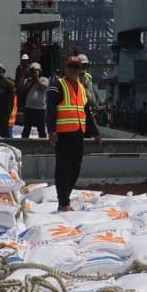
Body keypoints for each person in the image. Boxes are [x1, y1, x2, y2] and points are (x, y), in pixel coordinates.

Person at [46, 54, 103, 211]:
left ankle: (65, 197)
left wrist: (95, 133)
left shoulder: (81, 89)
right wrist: (51, 130)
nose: (74, 70)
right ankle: (63, 202)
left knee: (75, 168)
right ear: (66, 68)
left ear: (80, 70)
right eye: (71, 67)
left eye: (76, 67)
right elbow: (50, 110)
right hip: (63, 135)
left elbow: (86, 113)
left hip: (78, 134)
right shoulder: (58, 86)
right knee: (63, 168)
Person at [16, 56, 45, 139]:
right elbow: (20, 87)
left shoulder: (43, 79)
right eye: (33, 71)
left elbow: (43, 87)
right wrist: (24, 75)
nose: (34, 72)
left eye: (36, 71)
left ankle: (43, 145)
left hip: (40, 109)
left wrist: (36, 78)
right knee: (26, 129)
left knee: (41, 129)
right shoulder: (27, 80)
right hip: (29, 108)